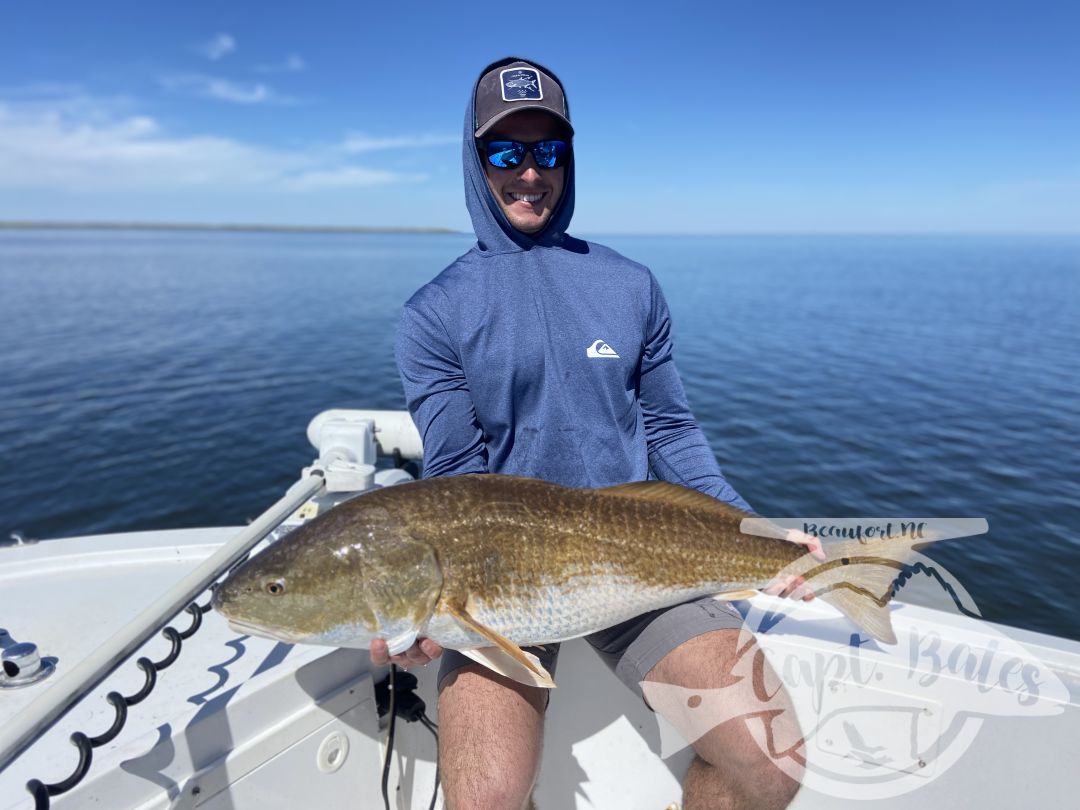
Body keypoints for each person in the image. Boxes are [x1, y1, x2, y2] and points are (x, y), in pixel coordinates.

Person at [379, 57, 819, 810]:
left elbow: (669, 430)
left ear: (568, 158)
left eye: (548, 150)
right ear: (474, 158)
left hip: (639, 555)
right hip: (498, 583)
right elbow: (454, 475)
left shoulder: (630, 285)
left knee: (767, 766)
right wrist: (411, 609)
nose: (529, 173)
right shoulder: (434, 314)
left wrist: (753, 529)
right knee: (481, 800)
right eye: (505, 151)